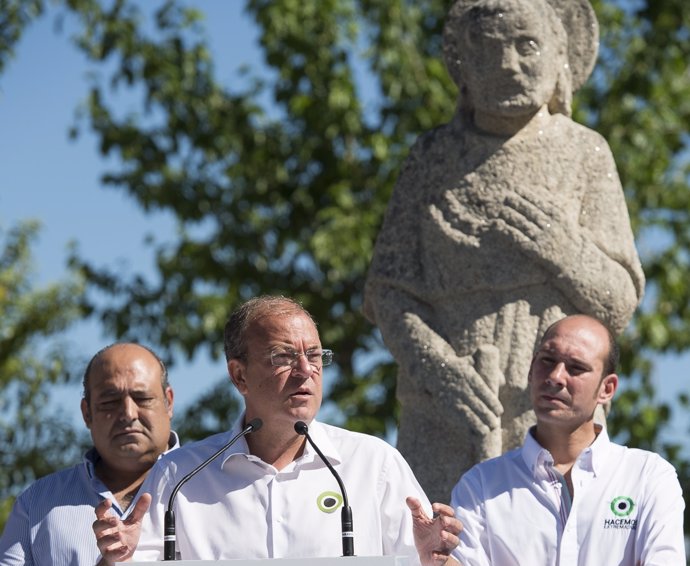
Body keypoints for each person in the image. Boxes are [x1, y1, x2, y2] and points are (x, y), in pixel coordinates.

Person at [363, 0, 645, 504]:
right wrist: (437, 369)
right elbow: (389, 292)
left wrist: (565, 250)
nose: (508, 64)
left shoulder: (584, 153)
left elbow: (618, 302)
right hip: (444, 408)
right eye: (489, 50)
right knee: (444, 537)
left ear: (559, 54)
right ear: (463, 67)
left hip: (554, 406)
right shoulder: (431, 159)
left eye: (526, 46)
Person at [93, 295, 461, 565]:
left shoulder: (373, 465)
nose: (306, 371)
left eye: (315, 356)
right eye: (284, 357)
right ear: (239, 375)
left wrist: (437, 561)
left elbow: (428, 562)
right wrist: (116, 560)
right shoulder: (180, 477)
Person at [449, 314, 685, 565]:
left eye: (576, 368)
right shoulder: (481, 485)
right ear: (530, 370)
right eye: (547, 360)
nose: (556, 376)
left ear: (607, 389)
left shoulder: (648, 477)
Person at [0, 343, 177, 566]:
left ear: (168, 402)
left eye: (141, 398)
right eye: (109, 402)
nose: (128, 413)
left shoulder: (215, 488)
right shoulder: (36, 505)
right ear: (87, 413)